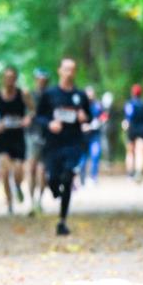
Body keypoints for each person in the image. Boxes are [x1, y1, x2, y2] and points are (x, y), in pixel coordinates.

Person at [34, 58, 91, 236]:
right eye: (66, 69)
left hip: (73, 143)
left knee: (67, 178)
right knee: (53, 179)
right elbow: (38, 117)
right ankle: (54, 190)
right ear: (60, 71)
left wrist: (84, 117)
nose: (69, 73)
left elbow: (89, 116)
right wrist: (50, 124)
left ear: (75, 72)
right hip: (53, 144)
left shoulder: (80, 96)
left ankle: (62, 220)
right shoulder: (50, 94)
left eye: (72, 70)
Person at [0, 66, 34, 215]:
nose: (9, 80)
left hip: (18, 137)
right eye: (7, 77)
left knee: (19, 170)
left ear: (15, 79)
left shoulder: (23, 94)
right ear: (3, 79)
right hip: (3, 138)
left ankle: (19, 186)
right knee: (5, 172)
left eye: (12, 78)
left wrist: (27, 119)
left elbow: (33, 110)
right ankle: (9, 203)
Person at [26, 68, 50, 215]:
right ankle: (32, 202)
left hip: (47, 136)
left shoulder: (51, 96)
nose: (41, 82)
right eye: (39, 79)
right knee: (32, 169)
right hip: (32, 135)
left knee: (43, 171)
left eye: (44, 80)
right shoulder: (30, 95)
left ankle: (39, 201)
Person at [123, 84, 143, 183]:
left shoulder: (129, 104)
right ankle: (138, 172)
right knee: (140, 152)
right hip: (142, 129)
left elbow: (127, 117)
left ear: (132, 93)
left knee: (130, 152)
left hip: (131, 129)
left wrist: (126, 124)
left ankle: (130, 173)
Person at [78, 86, 107, 186]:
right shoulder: (80, 106)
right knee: (82, 159)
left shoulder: (98, 105)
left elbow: (104, 116)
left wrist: (97, 123)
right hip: (83, 137)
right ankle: (81, 178)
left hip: (95, 135)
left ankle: (93, 177)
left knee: (95, 155)